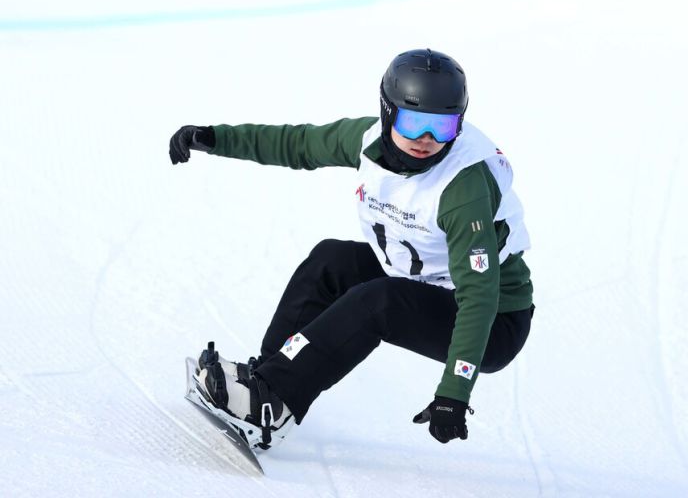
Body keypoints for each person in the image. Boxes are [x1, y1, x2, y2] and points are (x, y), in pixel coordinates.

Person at [169, 48, 534, 449]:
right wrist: (216, 138)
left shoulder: (464, 189)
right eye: (413, 123)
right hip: (426, 277)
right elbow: (298, 143)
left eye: (442, 126)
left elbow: (479, 297)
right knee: (331, 261)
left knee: (379, 302)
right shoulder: (366, 140)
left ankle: (272, 400)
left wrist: (454, 393)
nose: (426, 140)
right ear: (388, 112)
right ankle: (268, 380)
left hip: (492, 321)